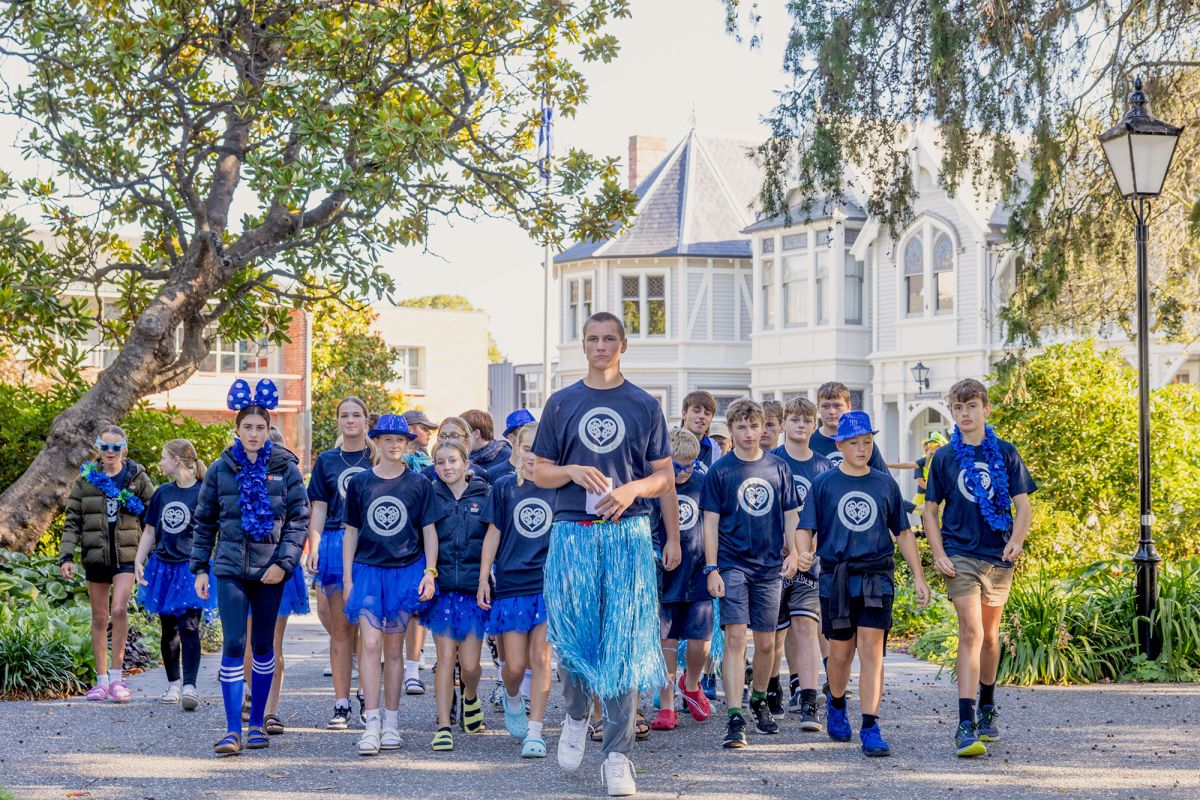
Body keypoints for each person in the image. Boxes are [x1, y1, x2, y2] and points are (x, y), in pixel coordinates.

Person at [532, 311, 676, 798]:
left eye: (609, 339)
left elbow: (664, 477)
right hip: (573, 534)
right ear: (583, 345)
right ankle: (575, 714)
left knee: (625, 647)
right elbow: (538, 474)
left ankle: (616, 756)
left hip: (627, 535)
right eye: (593, 339)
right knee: (573, 638)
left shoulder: (643, 404)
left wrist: (635, 490)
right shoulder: (562, 402)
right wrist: (571, 471)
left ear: (623, 345)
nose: (600, 346)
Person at [797, 410, 930, 757]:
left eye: (867, 442)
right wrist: (801, 553)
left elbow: (902, 532)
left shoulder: (884, 483)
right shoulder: (824, 483)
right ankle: (837, 702)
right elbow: (804, 527)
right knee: (840, 653)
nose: (861, 448)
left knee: (872, 651)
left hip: (876, 576)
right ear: (839, 443)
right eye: (854, 442)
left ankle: (870, 724)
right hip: (836, 578)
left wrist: (918, 576)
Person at [191, 379, 309, 756]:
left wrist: (284, 563)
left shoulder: (285, 468)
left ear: (268, 430)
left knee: (262, 645)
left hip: (270, 571)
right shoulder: (219, 469)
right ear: (237, 430)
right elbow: (204, 519)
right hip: (228, 568)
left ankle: (257, 723)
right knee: (233, 643)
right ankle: (231, 730)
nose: (254, 434)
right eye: (247, 427)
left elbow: (298, 519)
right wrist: (200, 567)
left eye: (260, 427)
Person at [921, 379, 1036, 758]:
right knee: (970, 632)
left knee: (990, 636)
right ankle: (965, 723)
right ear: (952, 413)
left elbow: (1024, 506)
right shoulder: (944, 458)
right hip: (960, 554)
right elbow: (930, 510)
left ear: (986, 408)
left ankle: (988, 705)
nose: (964, 413)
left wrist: (1016, 540)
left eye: (971, 405)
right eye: (957, 407)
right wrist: (938, 552)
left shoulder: (1005, 452)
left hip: (998, 555)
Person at [700, 398, 799, 748]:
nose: (748, 433)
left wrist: (795, 551)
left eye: (753, 426)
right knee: (736, 638)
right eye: (740, 427)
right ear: (732, 430)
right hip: (732, 563)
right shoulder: (721, 472)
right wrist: (712, 568)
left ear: (763, 429)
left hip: (770, 564)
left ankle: (758, 699)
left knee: (769, 642)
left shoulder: (778, 468)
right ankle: (734, 715)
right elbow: (709, 523)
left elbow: (790, 515)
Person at [342, 413, 438, 756]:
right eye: (388, 440)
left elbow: (429, 530)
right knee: (369, 645)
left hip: (404, 571)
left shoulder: (418, 483)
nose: (395, 445)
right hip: (367, 570)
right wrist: (348, 577)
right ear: (377, 442)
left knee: (394, 651)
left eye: (401, 440)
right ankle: (371, 722)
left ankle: (393, 722)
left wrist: (430, 571)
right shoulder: (361, 483)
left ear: (406, 443)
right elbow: (351, 532)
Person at [60, 425, 156, 703]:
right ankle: (101, 680)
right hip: (96, 555)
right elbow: (72, 521)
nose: (110, 452)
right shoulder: (85, 480)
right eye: (105, 447)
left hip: (127, 556)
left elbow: (154, 513)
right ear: (98, 448)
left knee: (119, 609)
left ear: (124, 448)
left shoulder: (136, 478)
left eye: (116, 447)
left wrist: (156, 552)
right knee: (100, 616)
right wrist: (66, 556)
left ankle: (117, 677)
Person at [478, 423, 557, 759]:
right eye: (527, 449)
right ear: (517, 450)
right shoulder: (504, 487)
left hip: (547, 584)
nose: (533, 456)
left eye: (540, 451)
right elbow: (493, 534)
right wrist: (484, 576)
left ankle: (536, 731)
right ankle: (513, 697)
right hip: (511, 583)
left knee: (541, 658)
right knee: (514, 665)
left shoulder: (558, 489)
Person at [306, 397, 373, 730]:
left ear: (366, 421)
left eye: (356, 415)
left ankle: (367, 697)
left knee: (370, 626)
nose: (350, 420)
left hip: (373, 546)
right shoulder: (327, 461)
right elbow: (317, 507)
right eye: (344, 415)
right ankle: (341, 702)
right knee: (342, 628)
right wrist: (313, 546)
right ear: (337, 421)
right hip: (334, 541)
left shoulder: (376, 457)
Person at [769, 396, 833, 729]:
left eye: (806, 420)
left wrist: (810, 550)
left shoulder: (823, 467)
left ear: (813, 425)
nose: (801, 425)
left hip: (811, 560)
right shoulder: (772, 461)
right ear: (783, 425)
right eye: (794, 420)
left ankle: (809, 700)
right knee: (774, 635)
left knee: (806, 624)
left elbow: (826, 514)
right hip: (775, 559)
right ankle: (773, 686)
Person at [134, 439, 212, 710]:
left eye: (164, 458)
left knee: (189, 626)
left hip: (191, 568)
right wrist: (138, 560)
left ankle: (190, 686)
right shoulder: (162, 493)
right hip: (163, 567)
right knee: (168, 630)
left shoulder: (203, 492)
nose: (161, 463)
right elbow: (150, 531)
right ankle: (173, 684)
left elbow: (214, 530)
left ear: (177, 460)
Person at [425, 438, 491, 751]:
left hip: (471, 589)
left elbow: (493, 539)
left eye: (453, 461)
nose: (447, 467)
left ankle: (470, 696)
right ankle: (442, 724)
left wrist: (486, 579)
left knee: (470, 666)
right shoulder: (431, 495)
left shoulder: (484, 494)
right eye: (440, 462)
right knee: (445, 658)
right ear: (434, 466)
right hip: (442, 593)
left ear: (466, 463)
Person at [245, 425, 311, 737]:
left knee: (272, 644)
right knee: (246, 646)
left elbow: (300, 520)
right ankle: (254, 701)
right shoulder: (237, 473)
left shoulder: (288, 477)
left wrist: (286, 560)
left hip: (281, 567)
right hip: (245, 567)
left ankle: (271, 710)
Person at [648, 428, 712, 731]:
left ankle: (692, 683)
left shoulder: (704, 485)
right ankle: (667, 704)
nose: (683, 473)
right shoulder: (655, 490)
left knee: (701, 644)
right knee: (667, 643)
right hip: (666, 578)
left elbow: (714, 528)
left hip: (698, 575)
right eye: (677, 467)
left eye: (690, 466)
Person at [810, 382, 890, 472]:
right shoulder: (809, 443)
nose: (832, 411)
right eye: (825, 406)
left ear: (848, 406)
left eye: (837, 406)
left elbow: (884, 479)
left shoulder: (863, 442)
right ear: (818, 407)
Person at [462, 408, 514, 483]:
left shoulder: (507, 457)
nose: (458, 437)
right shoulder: (463, 456)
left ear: (476, 433)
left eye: (462, 432)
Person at [680, 391, 718, 470]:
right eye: (696, 411)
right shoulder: (668, 442)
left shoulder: (715, 449)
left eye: (707, 413)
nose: (702, 416)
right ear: (684, 414)